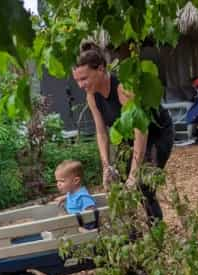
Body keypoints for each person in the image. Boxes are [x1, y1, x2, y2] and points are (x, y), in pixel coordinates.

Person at [72, 42, 174, 223]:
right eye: (78, 80)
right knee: (117, 183)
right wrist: (106, 167)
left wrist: (134, 175)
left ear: (101, 69)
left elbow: (141, 132)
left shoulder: (123, 89)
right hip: (127, 137)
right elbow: (101, 133)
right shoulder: (91, 95)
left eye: (84, 78)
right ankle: (130, 235)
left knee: (143, 185)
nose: (81, 85)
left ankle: (156, 234)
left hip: (156, 133)